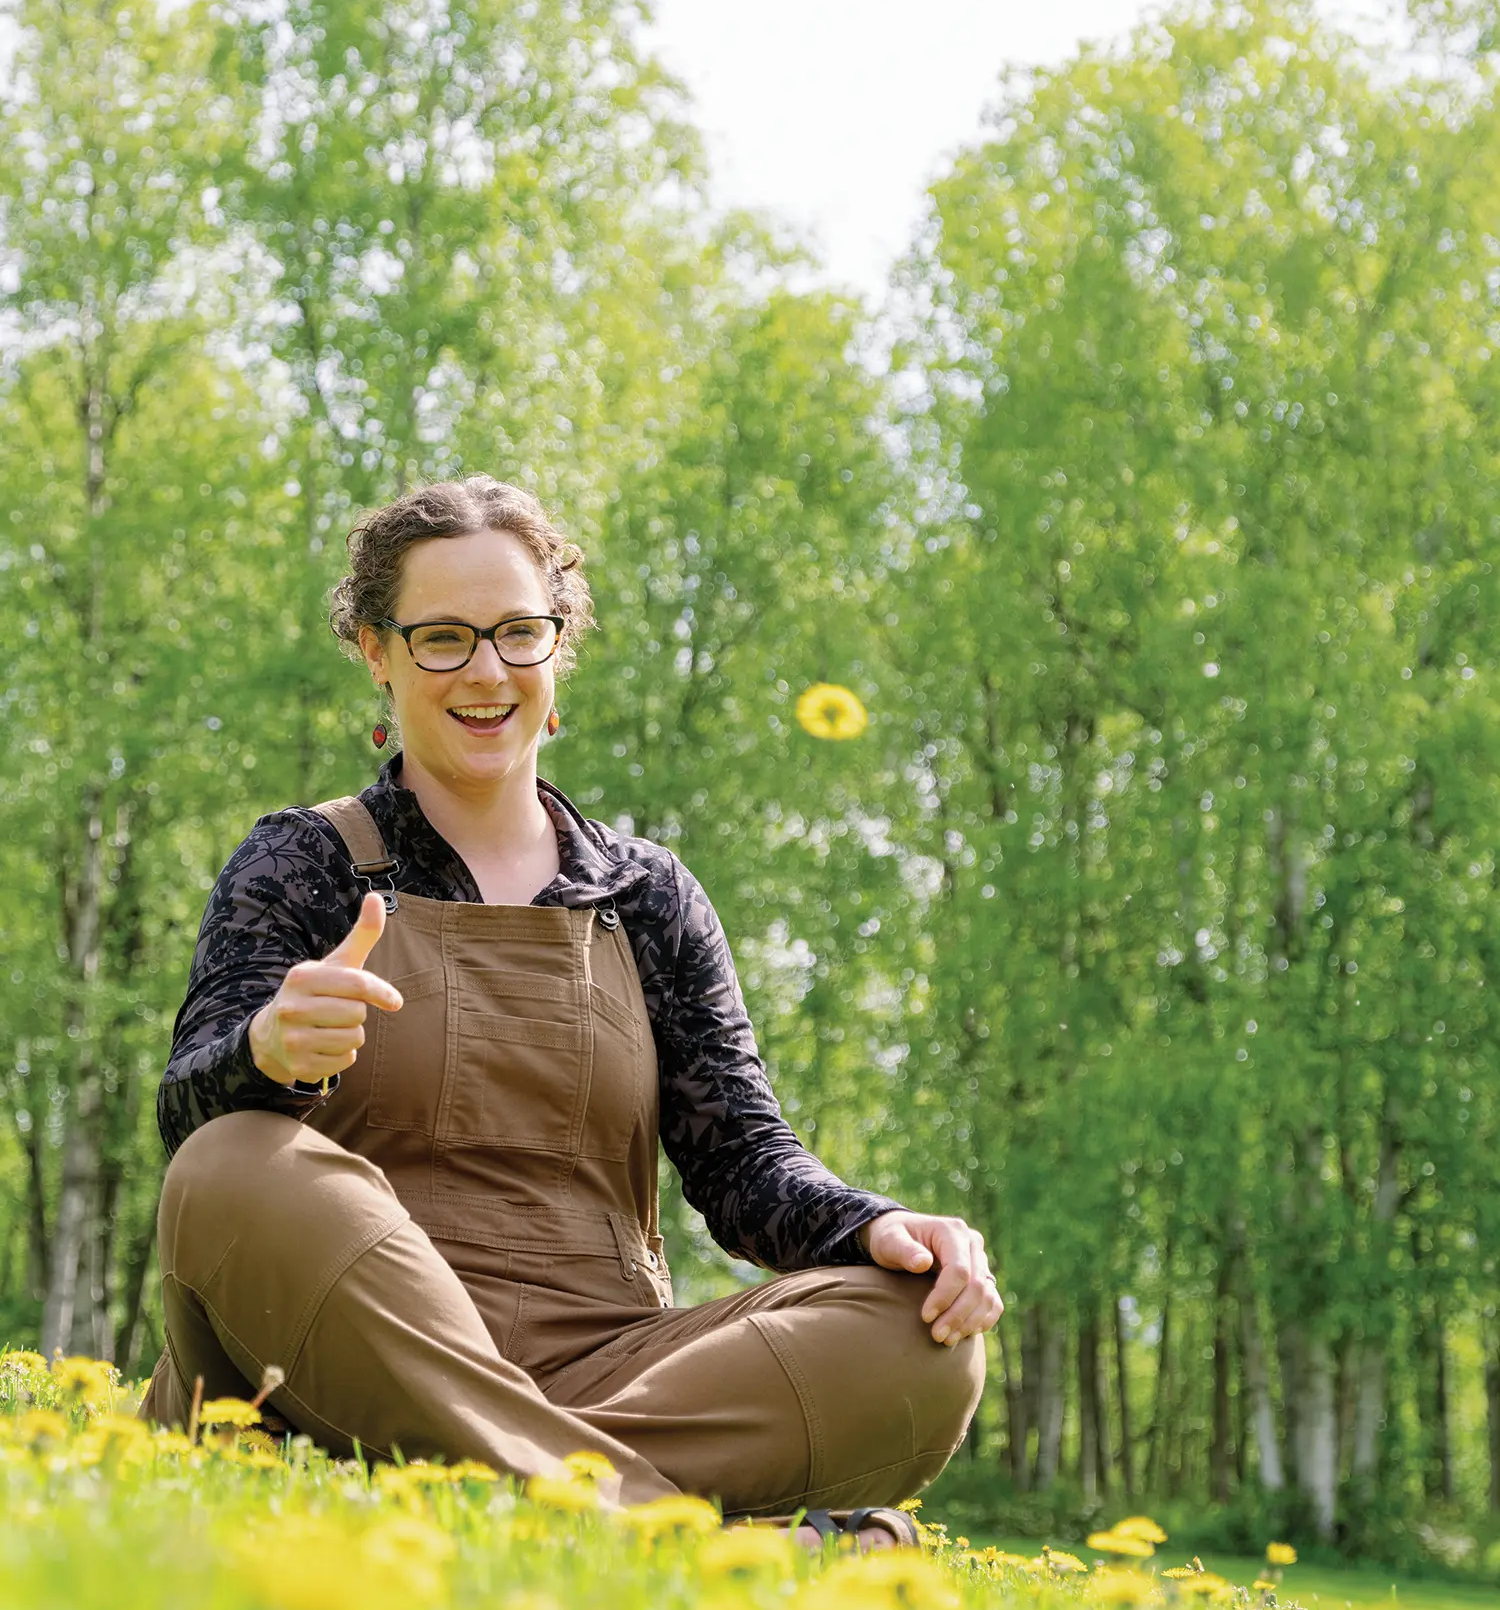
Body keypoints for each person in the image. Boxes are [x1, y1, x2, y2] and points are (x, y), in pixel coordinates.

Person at [140, 476, 1001, 1545]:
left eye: (517, 632)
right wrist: (265, 1052)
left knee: (920, 1331)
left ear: (560, 648)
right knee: (230, 1164)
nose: (487, 670)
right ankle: (671, 1534)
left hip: (609, 1358)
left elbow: (740, 1162)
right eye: (442, 637)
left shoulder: (646, 894)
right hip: (337, 1348)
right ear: (378, 651)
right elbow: (187, 1114)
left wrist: (874, 1225)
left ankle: (478, 1483)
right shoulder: (303, 859)